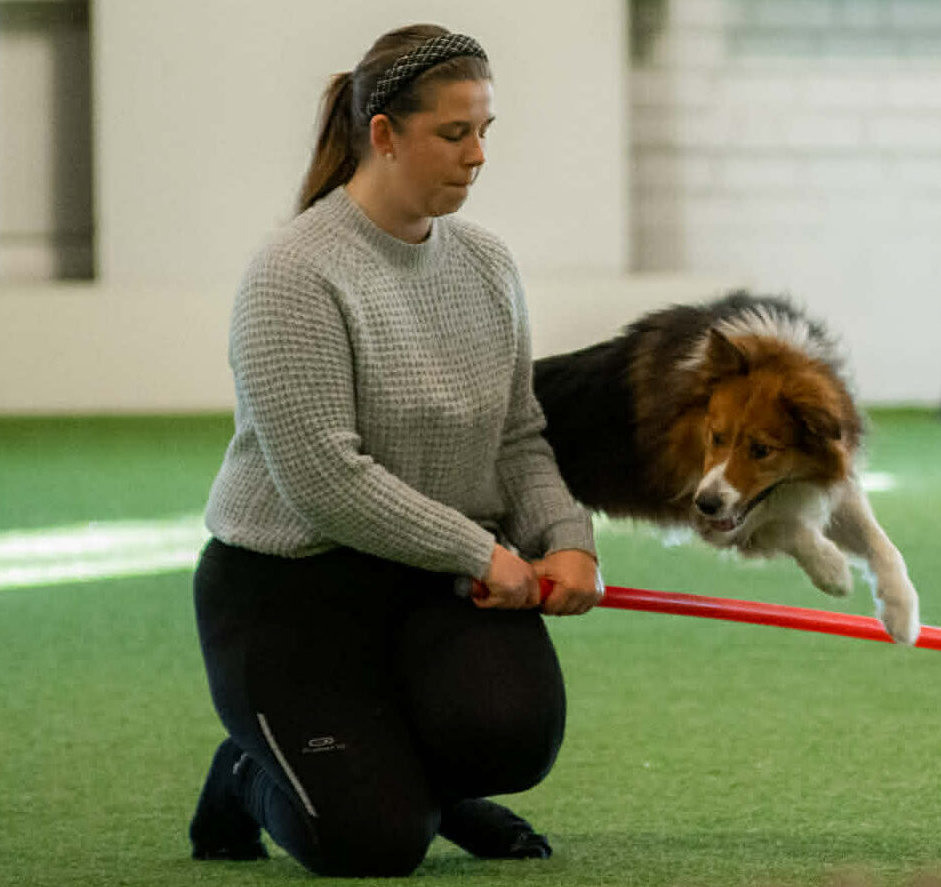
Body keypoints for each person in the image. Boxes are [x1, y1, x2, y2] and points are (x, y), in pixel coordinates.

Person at [186, 24, 601, 878]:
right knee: (369, 843)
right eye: (455, 133)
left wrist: (566, 537)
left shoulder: (487, 263)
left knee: (515, 738)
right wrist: (480, 549)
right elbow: (324, 483)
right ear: (383, 134)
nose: (478, 155)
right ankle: (248, 771)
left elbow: (517, 434)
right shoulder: (294, 273)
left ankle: (403, 780)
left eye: (486, 130)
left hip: (434, 587)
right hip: (291, 597)